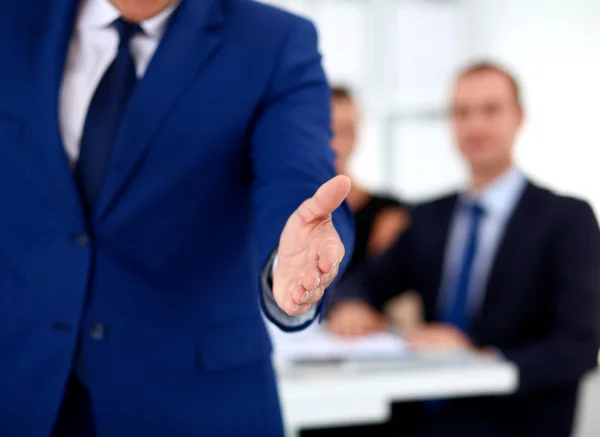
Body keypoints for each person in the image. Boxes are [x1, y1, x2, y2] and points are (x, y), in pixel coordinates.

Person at [0, 1, 354, 436]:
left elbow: (295, 171)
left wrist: (291, 252)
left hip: (196, 403)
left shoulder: (273, 40)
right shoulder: (12, 21)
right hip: (22, 392)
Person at [327, 62, 600, 437]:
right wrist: (351, 305)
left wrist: (478, 357)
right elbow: (362, 281)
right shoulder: (426, 217)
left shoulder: (567, 218)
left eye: (490, 110)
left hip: (513, 415)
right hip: (425, 407)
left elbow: (580, 344)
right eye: (462, 112)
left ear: (518, 117)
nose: (475, 125)